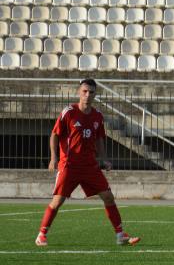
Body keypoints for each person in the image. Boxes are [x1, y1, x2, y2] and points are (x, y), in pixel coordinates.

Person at [35, 79, 140, 247]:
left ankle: (120, 235)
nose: (88, 95)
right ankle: (42, 234)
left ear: (95, 94)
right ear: (79, 92)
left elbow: (99, 139)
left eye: (91, 92)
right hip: (69, 165)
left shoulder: (97, 116)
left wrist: (104, 159)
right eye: (85, 91)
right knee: (58, 201)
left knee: (108, 197)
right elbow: (55, 134)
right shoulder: (69, 112)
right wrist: (54, 158)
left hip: (90, 166)